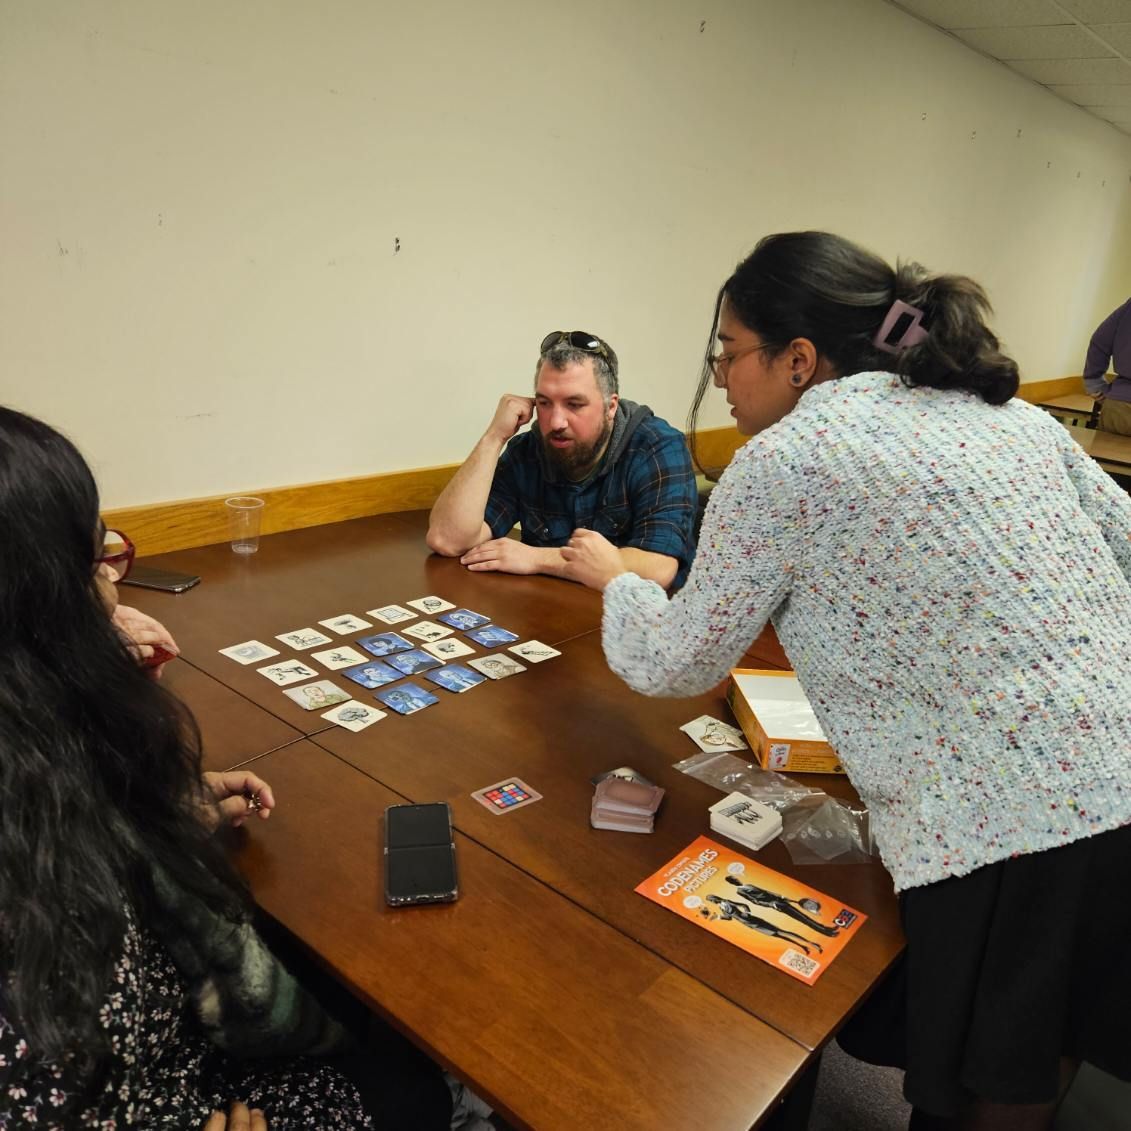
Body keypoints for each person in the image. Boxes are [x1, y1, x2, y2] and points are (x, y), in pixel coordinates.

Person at [561, 232, 1131, 1130]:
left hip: (1004, 816)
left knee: (978, 1081)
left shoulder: (788, 458)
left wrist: (620, 584)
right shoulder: (1013, 416)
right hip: (1117, 772)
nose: (721, 378)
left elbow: (677, 661)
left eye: (725, 354)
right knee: (1041, 1032)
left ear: (797, 359)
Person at [0, 407, 454, 1129]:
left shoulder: (40, 749)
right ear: (37, 610)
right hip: (178, 1091)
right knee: (411, 1081)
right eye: (96, 561)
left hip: (175, 1040)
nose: (116, 587)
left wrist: (155, 810)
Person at [426, 329, 698, 588]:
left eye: (574, 404)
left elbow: (658, 568)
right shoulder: (528, 451)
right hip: (551, 617)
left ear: (610, 407)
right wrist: (493, 438)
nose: (555, 422)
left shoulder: (656, 447)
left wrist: (537, 558)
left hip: (639, 625)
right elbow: (447, 540)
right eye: (544, 403)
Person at [1083, 297, 1131, 435]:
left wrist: (1094, 384)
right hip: (1121, 402)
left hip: (1120, 405)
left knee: (1106, 454)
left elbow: (1099, 341)